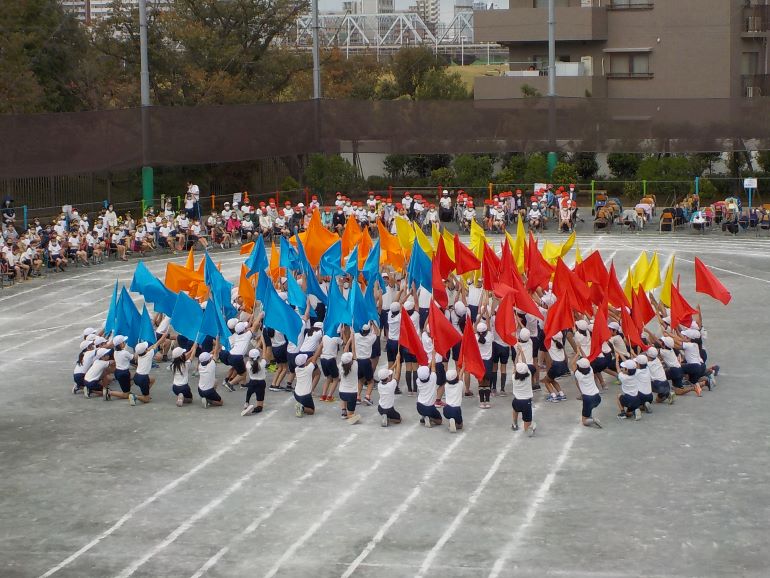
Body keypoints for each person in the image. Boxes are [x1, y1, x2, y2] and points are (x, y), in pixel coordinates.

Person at [569, 352, 602, 428]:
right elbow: (586, 360)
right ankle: (589, 416)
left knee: (584, 421)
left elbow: (572, 364)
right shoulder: (591, 371)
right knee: (589, 408)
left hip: (588, 399)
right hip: (597, 398)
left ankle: (593, 420)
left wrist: (577, 353)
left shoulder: (578, 374)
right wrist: (580, 350)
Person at [510, 354, 536, 436]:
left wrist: (517, 354)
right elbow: (525, 363)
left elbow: (515, 365)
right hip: (526, 403)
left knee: (515, 410)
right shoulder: (529, 376)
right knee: (526, 426)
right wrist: (522, 351)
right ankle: (530, 428)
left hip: (516, 401)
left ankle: (514, 424)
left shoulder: (514, 377)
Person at [294, 349, 322, 417]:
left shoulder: (296, 369)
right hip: (305, 396)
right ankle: (302, 408)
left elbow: (309, 361)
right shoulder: (308, 369)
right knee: (312, 411)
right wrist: (320, 346)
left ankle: (301, 405)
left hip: (296, 394)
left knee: (304, 403)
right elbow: (314, 360)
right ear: (304, 363)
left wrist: (314, 356)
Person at [415, 357, 442, 428]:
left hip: (419, 406)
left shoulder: (418, 381)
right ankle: (430, 418)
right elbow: (433, 367)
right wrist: (433, 356)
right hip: (430, 407)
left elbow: (427, 370)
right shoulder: (433, 378)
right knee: (439, 421)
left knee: (425, 411)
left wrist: (430, 363)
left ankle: (424, 416)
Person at [338, 345, 361, 425]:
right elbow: (354, 351)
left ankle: (344, 411)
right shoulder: (355, 365)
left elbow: (345, 355)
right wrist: (352, 339)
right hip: (352, 393)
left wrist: (349, 341)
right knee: (352, 415)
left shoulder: (340, 365)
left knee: (343, 398)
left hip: (342, 393)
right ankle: (349, 415)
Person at [377, 358, 402, 427]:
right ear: (388, 378)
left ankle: (385, 416)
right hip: (389, 409)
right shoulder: (392, 384)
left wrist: (395, 363)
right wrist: (398, 361)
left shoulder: (379, 384)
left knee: (385, 411)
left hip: (380, 408)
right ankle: (389, 418)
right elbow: (398, 373)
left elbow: (388, 372)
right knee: (399, 419)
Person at [242, 348, 268, 416]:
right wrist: (262, 350)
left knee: (249, 392)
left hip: (252, 382)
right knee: (260, 406)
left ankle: (246, 402)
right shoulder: (263, 362)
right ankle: (252, 410)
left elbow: (251, 360)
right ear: (259, 356)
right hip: (261, 383)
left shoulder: (248, 364)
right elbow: (264, 357)